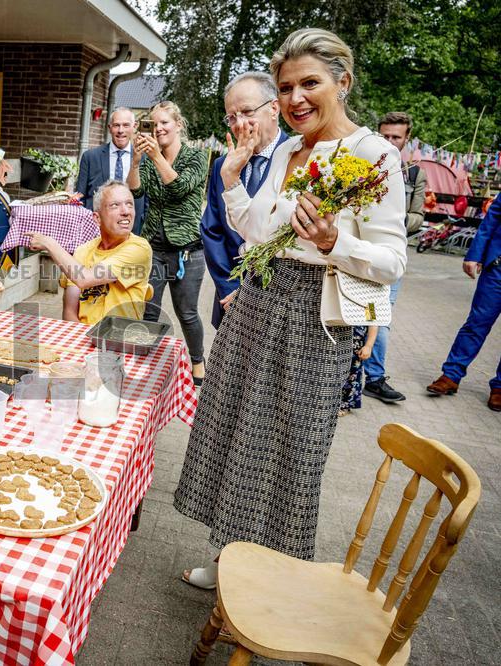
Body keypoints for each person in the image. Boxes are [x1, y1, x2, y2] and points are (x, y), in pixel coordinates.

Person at [173, 28, 407, 588]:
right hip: (258, 302)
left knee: (286, 450)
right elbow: (258, 229)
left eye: (310, 83)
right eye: (286, 88)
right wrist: (231, 179)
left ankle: (268, 577)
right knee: (234, 431)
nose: (296, 98)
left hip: (314, 323)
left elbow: (393, 261)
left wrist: (334, 243)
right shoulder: (285, 149)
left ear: (342, 83)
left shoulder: (374, 155)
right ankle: (228, 556)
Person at [127, 102, 209, 384]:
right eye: (153, 124)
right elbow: (136, 191)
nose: (158, 128)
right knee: (149, 309)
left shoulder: (196, 157)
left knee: (186, 313)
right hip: (155, 249)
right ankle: (145, 365)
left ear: (178, 125)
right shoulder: (148, 159)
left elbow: (179, 187)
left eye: (164, 123)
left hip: (188, 251)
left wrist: (155, 156)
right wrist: (137, 160)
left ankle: (197, 361)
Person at [201, 72, 288, 329]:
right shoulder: (221, 166)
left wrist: (251, 294)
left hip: (278, 307)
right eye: (232, 116)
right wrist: (230, 288)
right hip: (229, 303)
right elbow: (212, 231)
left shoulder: (296, 159)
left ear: (274, 108)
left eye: (248, 112)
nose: (240, 124)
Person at [361, 111, 427, 404]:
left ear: (406, 139)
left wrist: (389, 220)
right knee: (350, 315)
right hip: (356, 251)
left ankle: (374, 377)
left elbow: (418, 216)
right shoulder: (362, 165)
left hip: (389, 256)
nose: (389, 142)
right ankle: (343, 378)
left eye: (395, 137)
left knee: (379, 317)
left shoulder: (413, 174)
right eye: (384, 136)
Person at [28, 180, 152, 324]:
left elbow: (84, 278)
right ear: (97, 218)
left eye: (129, 204)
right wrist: (83, 342)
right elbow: (69, 311)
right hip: (83, 337)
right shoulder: (83, 251)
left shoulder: (139, 248)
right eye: (115, 205)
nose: (125, 211)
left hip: (120, 340)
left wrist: (49, 243)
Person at [426, 195, 501, 411]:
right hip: (497, 269)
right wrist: (474, 254)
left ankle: (499, 387)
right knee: (477, 323)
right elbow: (492, 219)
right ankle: (451, 375)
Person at [77, 107, 147, 233]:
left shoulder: (145, 159)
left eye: (126, 125)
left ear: (134, 126)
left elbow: (149, 199)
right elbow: (79, 197)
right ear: (109, 128)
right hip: (96, 230)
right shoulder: (90, 157)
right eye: (116, 125)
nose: (121, 130)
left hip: (133, 230)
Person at [340, 325, 378, 416]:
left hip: (356, 344)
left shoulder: (369, 309)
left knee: (352, 375)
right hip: (336, 338)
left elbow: (373, 322)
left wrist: (368, 346)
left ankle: (344, 404)